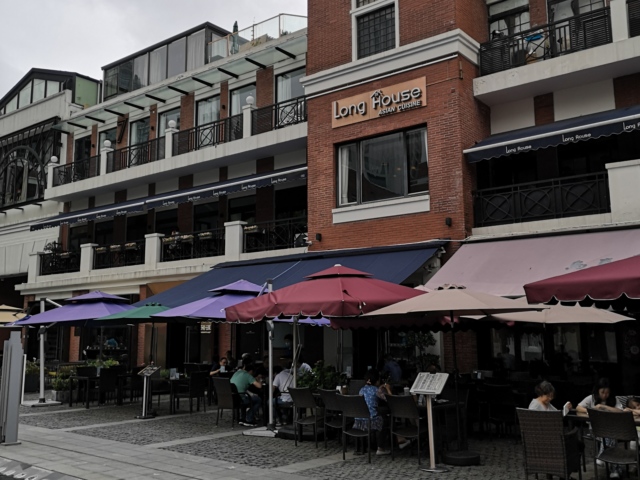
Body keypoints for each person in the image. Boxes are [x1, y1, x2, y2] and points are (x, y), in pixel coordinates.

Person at [353, 369, 409, 455]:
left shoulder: (362, 390)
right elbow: (391, 400)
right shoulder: (377, 390)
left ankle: (399, 439)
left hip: (359, 422)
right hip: (370, 423)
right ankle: (382, 447)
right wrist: (387, 388)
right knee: (386, 419)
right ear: (377, 381)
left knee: (384, 416)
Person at [576, 378, 623, 479]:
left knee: (610, 434)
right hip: (595, 430)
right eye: (602, 392)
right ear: (597, 391)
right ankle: (615, 470)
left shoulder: (613, 399)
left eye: (607, 393)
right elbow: (578, 407)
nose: (605, 395)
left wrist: (604, 407)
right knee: (611, 436)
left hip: (611, 431)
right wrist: (591, 410)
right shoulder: (591, 398)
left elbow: (621, 411)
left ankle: (602, 456)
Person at [230, 362, 262, 427]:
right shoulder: (248, 376)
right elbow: (259, 386)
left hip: (231, 397)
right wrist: (259, 380)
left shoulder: (236, 373)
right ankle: (249, 419)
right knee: (258, 400)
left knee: (244, 397)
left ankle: (242, 418)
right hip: (240, 398)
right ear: (251, 371)